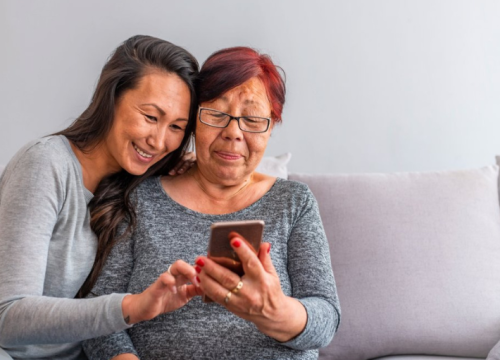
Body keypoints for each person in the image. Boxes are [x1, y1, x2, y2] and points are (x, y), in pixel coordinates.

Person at [82, 46, 341, 360]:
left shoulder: (294, 202)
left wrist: (275, 311)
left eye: (253, 118)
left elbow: (325, 317)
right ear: (194, 121)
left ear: (271, 127)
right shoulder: (141, 198)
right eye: (217, 114)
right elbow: (99, 315)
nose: (233, 132)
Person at [0, 35, 203, 360]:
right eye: (151, 117)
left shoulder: (135, 183)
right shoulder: (45, 165)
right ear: (111, 98)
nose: (159, 141)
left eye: (177, 127)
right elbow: (7, 317)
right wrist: (131, 307)